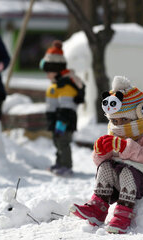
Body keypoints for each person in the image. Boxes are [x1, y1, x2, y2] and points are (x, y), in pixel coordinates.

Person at [70, 76, 143, 234]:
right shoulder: (117, 132)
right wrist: (101, 152)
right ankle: (98, 207)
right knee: (105, 166)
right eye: (115, 121)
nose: (120, 125)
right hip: (118, 178)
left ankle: (124, 214)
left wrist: (126, 147)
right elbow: (102, 161)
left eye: (124, 119)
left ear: (140, 114)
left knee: (127, 172)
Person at [39, 40, 85, 176]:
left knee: (63, 143)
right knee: (57, 142)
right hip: (56, 120)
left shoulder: (65, 85)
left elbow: (67, 106)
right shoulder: (56, 84)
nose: (47, 75)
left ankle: (67, 166)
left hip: (64, 120)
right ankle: (59, 163)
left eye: (49, 72)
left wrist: (61, 122)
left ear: (57, 70)